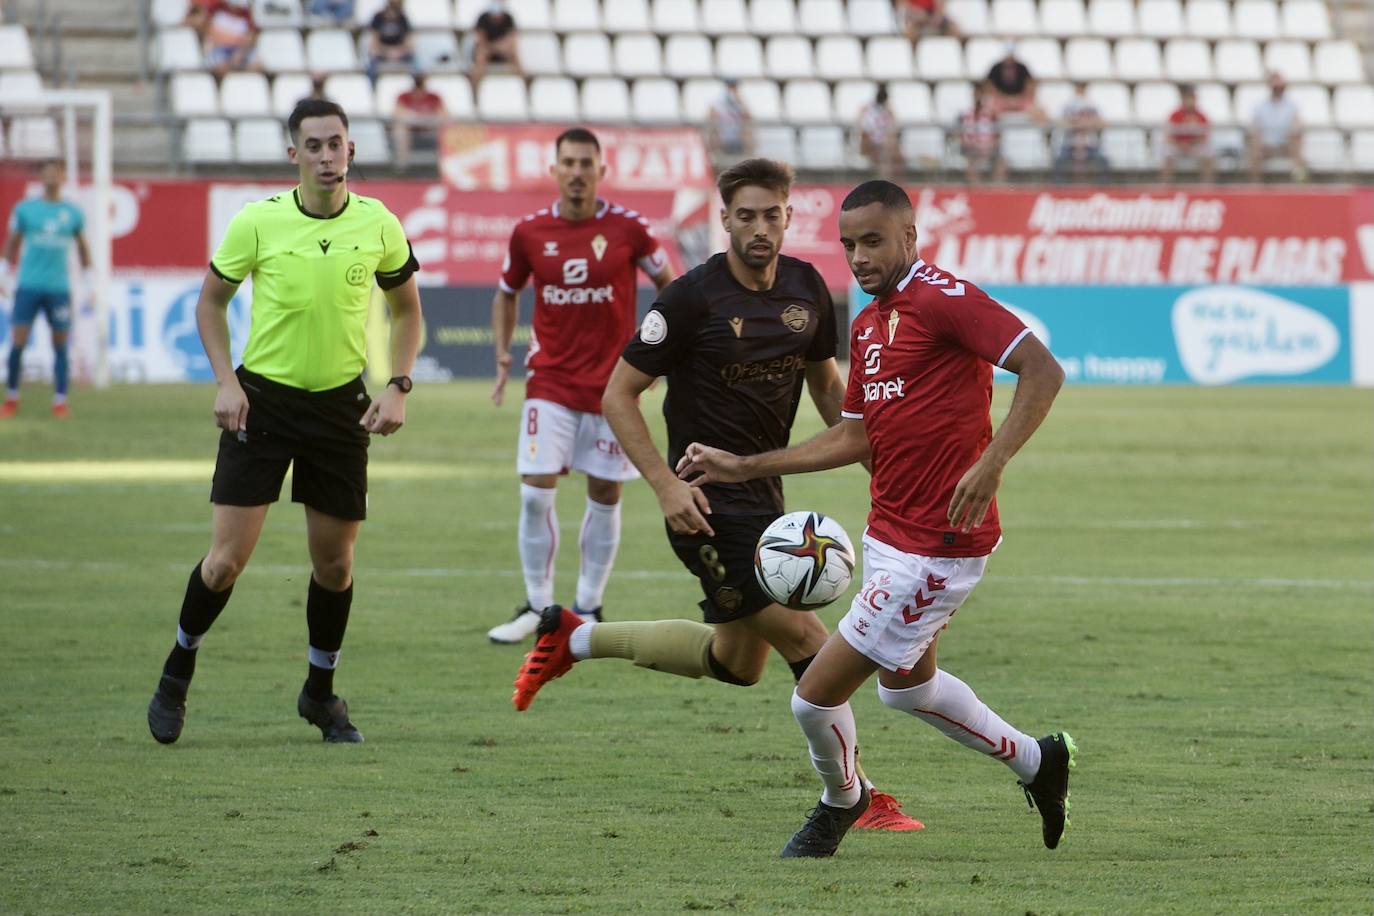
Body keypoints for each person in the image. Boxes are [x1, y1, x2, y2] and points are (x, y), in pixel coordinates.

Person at [511, 159, 925, 834]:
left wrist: (873, 459)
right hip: (701, 506)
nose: (759, 229)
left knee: (737, 663)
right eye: (745, 216)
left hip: (766, 497)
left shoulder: (807, 287)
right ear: (723, 219)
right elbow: (617, 395)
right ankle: (857, 796)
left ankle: (574, 637)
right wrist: (666, 485)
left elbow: (826, 386)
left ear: (790, 217)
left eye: (772, 215)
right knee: (808, 638)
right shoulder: (690, 300)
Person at [675, 179, 1074, 858]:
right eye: (849, 244)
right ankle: (1040, 762)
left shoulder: (945, 300)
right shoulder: (868, 324)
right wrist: (745, 466)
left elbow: (1043, 369)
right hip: (889, 533)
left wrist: (993, 460)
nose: (859, 257)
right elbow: (855, 436)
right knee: (908, 692)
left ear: (910, 237)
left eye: (873, 241)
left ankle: (842, 803)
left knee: (814, 699)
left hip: (939, 545)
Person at [145, 98, 424, 746]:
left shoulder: (379, 224)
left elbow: (407, 311)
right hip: (262, 403)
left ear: (351, 149)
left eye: (337, 144)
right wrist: (225, 380)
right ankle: (176, 671)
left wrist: (399, 385)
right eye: (315, 146)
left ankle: (319, 693)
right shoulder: (257, 223)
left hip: (339, 408)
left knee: (336, 566)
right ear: (293, 154)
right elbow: (211, 304)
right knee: (224, 563)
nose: (328, 156)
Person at [486, 127, 675, 645]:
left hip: (613, 388)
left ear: (600, 171)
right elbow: (506, 293)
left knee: (604, 492)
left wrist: (660, 355)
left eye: (585, 164)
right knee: (533, 492)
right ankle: (538, 605)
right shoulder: (528, 232)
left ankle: (588, 606)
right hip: (549, 380)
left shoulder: (630, 229)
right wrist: (503, 351)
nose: (576, 172)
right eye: (567, 163)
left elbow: (672, 288)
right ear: (554, 170)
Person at [0, 159, 90, 420]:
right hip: (28, 285)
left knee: (60, 344)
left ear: (63, 177)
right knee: (18, 341)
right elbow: (12, 243)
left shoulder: (72, 213)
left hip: (58, 287)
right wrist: (3, 275)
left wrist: (89, 283)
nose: (51, 177)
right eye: (47, 173)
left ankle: (60, 400)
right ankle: (12, 397)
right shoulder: (26, 210)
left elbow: (83, 249)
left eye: (56, 173)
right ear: (41, 177)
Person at [1248, 72, 1305, 182]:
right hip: (1266, 146)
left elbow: (1297, 124)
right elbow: (1254, 127)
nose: (1278, 89)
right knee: (1255, 148)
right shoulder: (1260, 106)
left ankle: (1299, 184)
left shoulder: (1291, 106)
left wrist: (1292, 133)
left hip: (1286, 144)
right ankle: (1255, 185)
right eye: (1275, 87)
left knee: (1298, 145)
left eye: (1280, 86)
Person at [186, 0, 260, 80]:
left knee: (257, 65)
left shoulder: (246, 13)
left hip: (240, 51)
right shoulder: (216, 8)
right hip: (219, 49)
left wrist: (239, 53)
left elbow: (250, 36)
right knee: (221, 67)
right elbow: (205, 26)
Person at [391, 71, 448, 173]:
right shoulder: (404, 96)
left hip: (430, 129)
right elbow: (397, 113)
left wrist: (426, 119)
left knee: (444, 130)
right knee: (400, 129)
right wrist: (415, 117)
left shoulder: (434, 97)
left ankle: (444, 167)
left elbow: (445, 116)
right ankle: (402, 167)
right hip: (411, 128)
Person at [1052, 82, 1108, 184]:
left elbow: (1102, 123)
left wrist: (1085, 123)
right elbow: (1060, 122)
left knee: (1103, 161)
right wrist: (1076, 123)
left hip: (1089, 143)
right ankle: (1059, 192)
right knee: (1059, 162)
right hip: (1070, 143)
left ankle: (1103, 191)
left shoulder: (1092, 105)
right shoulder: (1067, 106)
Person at [1162, 84, 1215, 184]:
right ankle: (1167, 185)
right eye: (1188, 98)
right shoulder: (1175, 115)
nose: (1190, 101)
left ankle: (1207, 186)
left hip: (1195, 146)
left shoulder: (1201, 115)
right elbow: (1167, 135)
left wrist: (1191, 143)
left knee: (1209, 154)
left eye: (1192, 98)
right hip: (1177, 146)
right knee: (1167, 154)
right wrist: (1180, 144)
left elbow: (1206, 136)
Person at [985, 43, 1045, 123]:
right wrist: (1006, 100)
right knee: (988, 113)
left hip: (1021, 100)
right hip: (1001, 101)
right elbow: (989, 88)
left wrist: (1017, 100)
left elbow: (1030, 86)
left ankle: (1042, 134)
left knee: (1038, 112)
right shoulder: (995, 68)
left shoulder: (1022, 67)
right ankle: (994, 135)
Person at [959, 81, 1005, 183]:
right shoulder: (965, 114)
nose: (978, 97)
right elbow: (960, 134)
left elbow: (999, 134)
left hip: (989, 147)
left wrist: (992, 145)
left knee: (1001, 161)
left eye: (980, 94)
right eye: (976, 94)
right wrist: (969, 145)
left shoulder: (991, 113)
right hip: (971, 148)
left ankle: (996, 189)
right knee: (970, 161)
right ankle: (976, 188)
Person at [470, 0, 524, 86]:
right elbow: (480, 41)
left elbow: (512, 40)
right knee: (481, 54)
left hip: (501, 51)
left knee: (514, 55)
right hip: (487, 51)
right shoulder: (483, 18)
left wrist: (498, 47)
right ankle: (475, 88)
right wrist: (495, 46)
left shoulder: (508, 18)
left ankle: (522, 85)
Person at [858, 86, 905, 180]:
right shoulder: (867, 108)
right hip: (870, 140)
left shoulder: (887, 110)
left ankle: (891, 180)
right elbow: (863, 127)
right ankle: (882, 179)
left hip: (883, 141)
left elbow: (892, 127)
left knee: (896, 155)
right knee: (883, 154)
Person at [705, 78, 754, 164]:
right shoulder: (717, 102)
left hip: (738, 140)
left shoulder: (740, 102)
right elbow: (710, 119)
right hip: (723, 140)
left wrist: (741, 101)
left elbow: (749, 118)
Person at [367, 0, 415, 84]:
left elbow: (409, 42)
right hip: (382, 52)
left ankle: (413, 86)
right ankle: (372, 88)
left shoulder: (403, 18)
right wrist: (387, 52)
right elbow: (374, 41)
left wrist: (398, 52)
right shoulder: (378, 17)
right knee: (370, 64)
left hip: (399, 53)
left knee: (415, 63)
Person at [895, 0, 960, 40]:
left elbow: (940, 7)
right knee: (910, 30)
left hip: (932, 15)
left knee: (954, 28)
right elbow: (905, 7)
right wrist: (920, 15)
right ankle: (914, 53)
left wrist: (936, 16)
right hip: (916, 16)